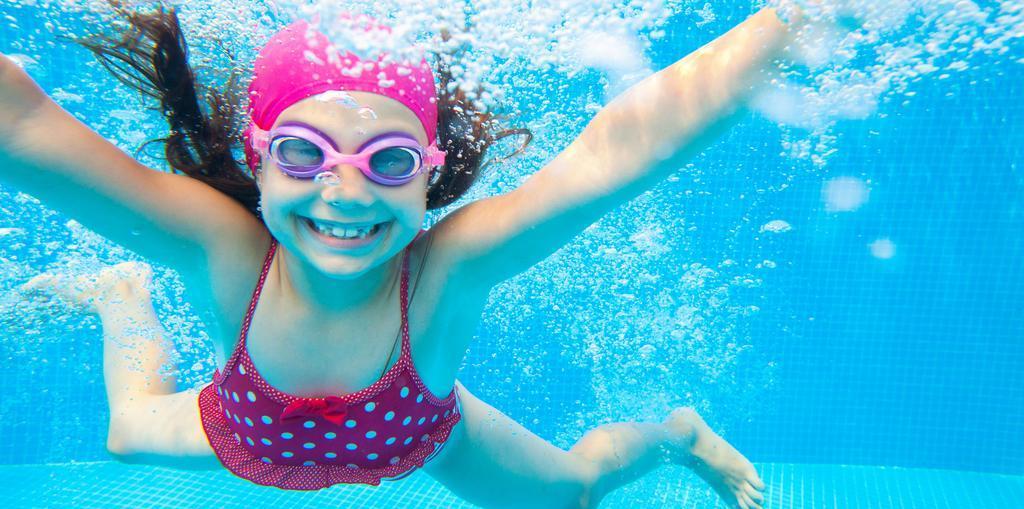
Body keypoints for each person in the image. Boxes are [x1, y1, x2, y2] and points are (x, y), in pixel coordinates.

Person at [4, 3, 815, 508]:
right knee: (119, 429)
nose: (346, 194)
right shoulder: (221, 246)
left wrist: (801, 19)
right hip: (241, 431)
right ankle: (120, 293)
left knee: (575, 490)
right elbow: (28, 130)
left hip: (423, 433)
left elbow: (612, 158)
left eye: (388, 160)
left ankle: (674, 435)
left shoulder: (445, 268)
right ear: (256, 157)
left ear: (430, 173)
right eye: (303, 154)